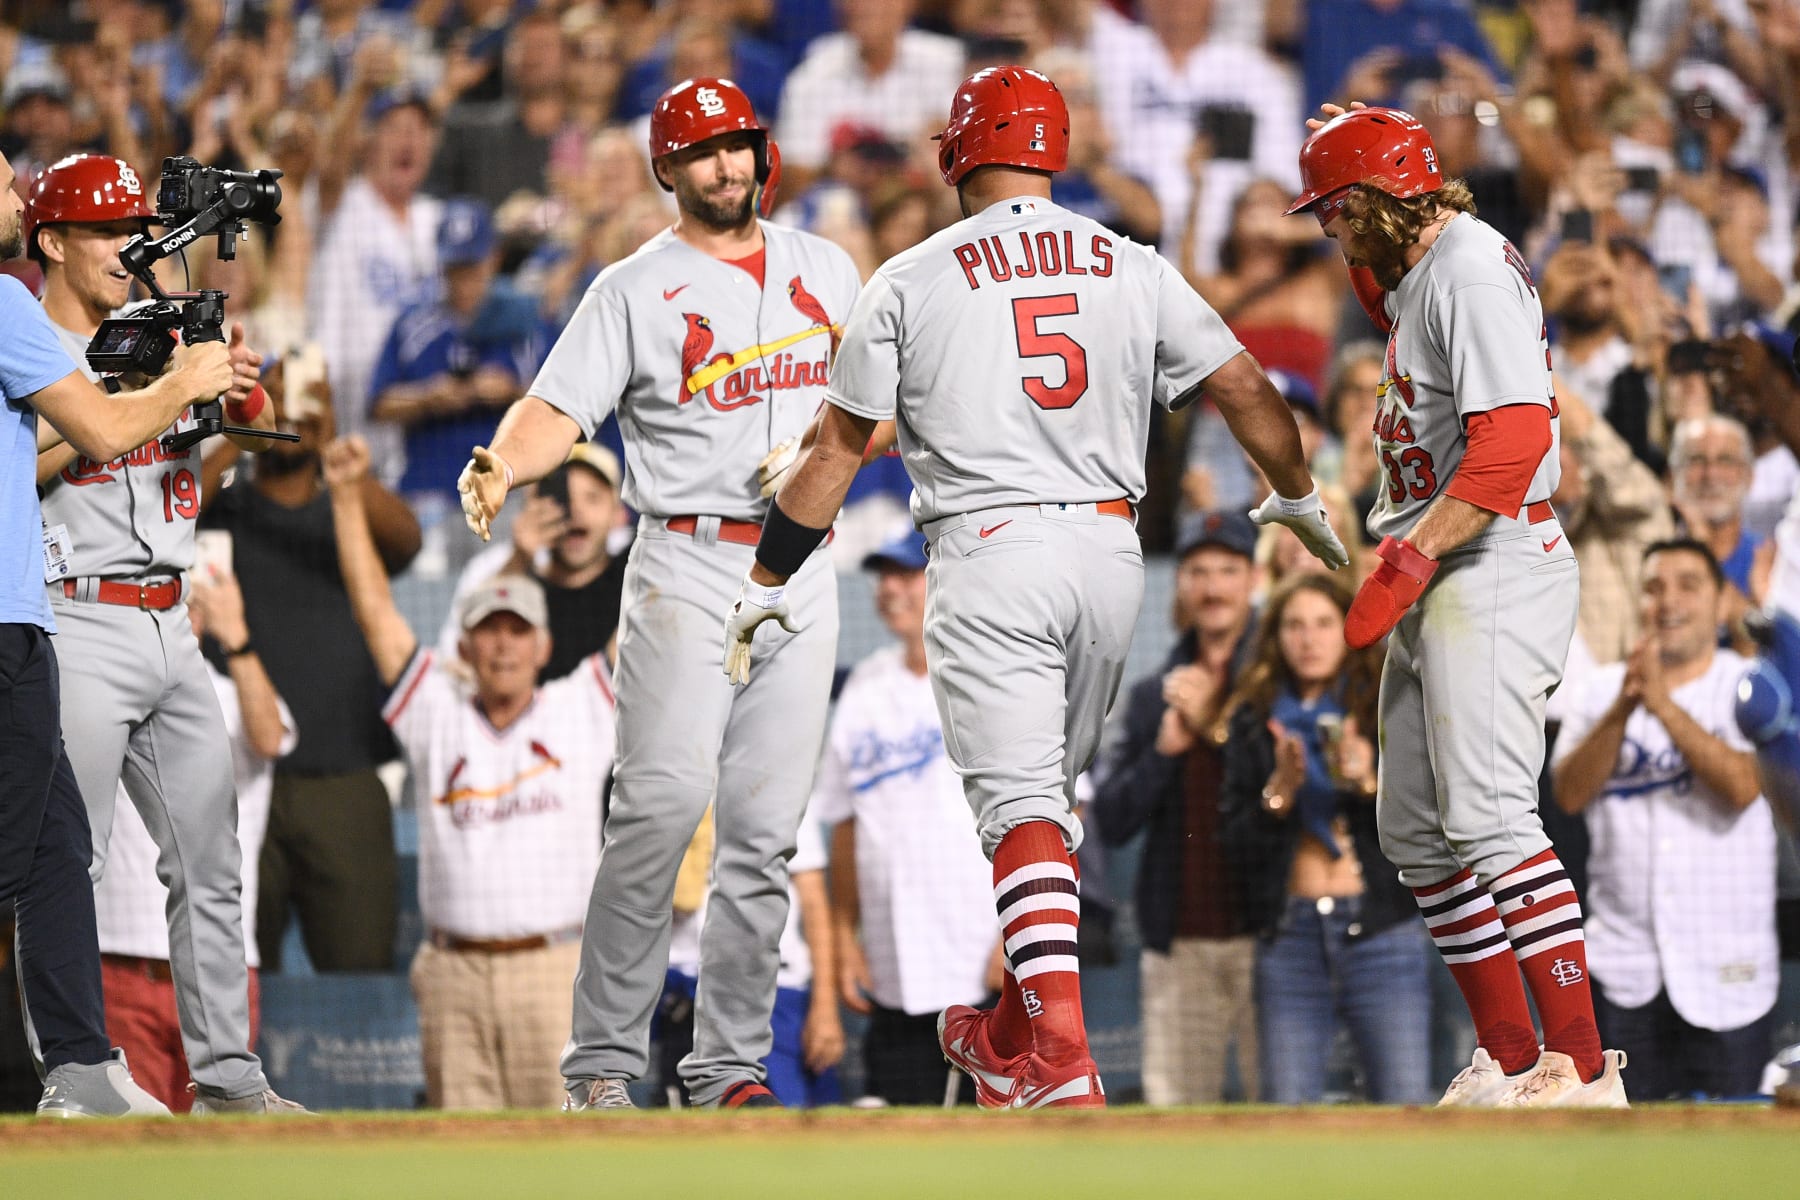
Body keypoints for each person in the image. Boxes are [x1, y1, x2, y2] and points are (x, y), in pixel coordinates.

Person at [721, 66, 1345, 1110]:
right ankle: (1010, 1030)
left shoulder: (911, 276)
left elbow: (830, 455)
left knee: (1020, 814)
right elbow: (1243, 386)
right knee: (1045, 814)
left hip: (989, 550)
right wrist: (1291, 491)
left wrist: (769, 570)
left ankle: (1058, 1054)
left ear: (959, 150)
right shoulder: (1133, 263)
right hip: (1109, 563)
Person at [455, 77, 862, 1111]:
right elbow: (559, 405)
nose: (728, 166)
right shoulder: (633, 287)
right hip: (687, 559)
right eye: (705, 152)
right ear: (667, 170)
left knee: (766, 830)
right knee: (662, 812)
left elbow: (884, 409)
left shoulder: (828, 264)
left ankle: (729, 1065)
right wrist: (506, 460)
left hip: (804, 561)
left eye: (739, 146)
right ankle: (600, 1067)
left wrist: (824, 451)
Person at [1286, 103, 1624, 1106]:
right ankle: (1511, 1059)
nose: (1327, 228)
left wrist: (1408, 561)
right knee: (1418, 835)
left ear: (1384, 201)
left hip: (1490, 555)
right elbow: (1386, 285)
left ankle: (1580, 1064)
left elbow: (1516, 441)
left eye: (1337, 209)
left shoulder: (1468, 270)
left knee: (1488, 818)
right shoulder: (1430, 266)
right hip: (1451, 562)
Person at [23, 152, 301, 1116]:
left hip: (172, 618)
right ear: (50, 241)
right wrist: (157, 392)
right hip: (78, 616)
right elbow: (30, 477)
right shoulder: (28, 344)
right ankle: (74, 1076)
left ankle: (230, 1080)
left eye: (131, 226)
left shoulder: (162, 330)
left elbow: (195, 476)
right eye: (101, 229)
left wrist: (225, 406)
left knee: (212, 863)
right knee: (68, 864)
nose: (123, 244)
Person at [2, 148, 232, 1119]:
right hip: (43, 616)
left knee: (50, 851)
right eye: (2, 182)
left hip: (127, 616)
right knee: (36, 855)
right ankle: (77, 1074)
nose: (11, 197)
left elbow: (94, 446)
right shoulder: (12, 305)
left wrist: (193, 401)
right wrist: (179, 385)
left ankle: (86, 1071)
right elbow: (94, 434)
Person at [325, 432, 617, 1110]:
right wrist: (344, 497)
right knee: (464, 1167)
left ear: (543, 644)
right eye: (490, 629)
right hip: (451, 973)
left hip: (555, 969)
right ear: (466, 641)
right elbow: (375, 612)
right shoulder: (436, 705)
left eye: (518, 630)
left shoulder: (583, 706)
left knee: (568, 1169)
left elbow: (647, 612)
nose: (504, 644)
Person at [1551, 539, 1775, 1100]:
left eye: (1688, 585)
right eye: (1654, 587)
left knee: (1735, 1164)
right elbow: (1570, 793)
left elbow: (1745, 787)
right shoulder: (1599, 690)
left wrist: (1661, 705)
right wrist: (1627, 704)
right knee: (1624, 1159)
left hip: (1728, 969)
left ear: (1722, 600)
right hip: (1625, 967)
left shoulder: (1750, 684)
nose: (1668, 600)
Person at [1216, 573, 1431, 1104]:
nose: (1308, 639)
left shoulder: (1386, 703)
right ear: (1276, 636)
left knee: (1403, 1104)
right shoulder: (1253, 719)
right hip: (1290, 936)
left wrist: (1370, 783)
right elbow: (1231, 843)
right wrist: (1279, 793)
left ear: (1348, 629)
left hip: (1382, 931)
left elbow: (1432, 822)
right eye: (1294, 625)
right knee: (1287, 1110)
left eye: (1322, 624)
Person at [92, 569, 295, 1112]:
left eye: (184, 600)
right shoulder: (97, 689)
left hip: (221, 968)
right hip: (120, 962)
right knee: (131, 1153)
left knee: (225, 1144)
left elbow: (271, 738)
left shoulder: (229, 694)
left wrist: (239, 638)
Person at [813, 532, 999, 1106]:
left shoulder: (992, 672)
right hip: (895, 962)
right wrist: (845, 937)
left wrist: (1017, 942)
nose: (890, 588)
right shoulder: (864, 687)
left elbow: (1062, 811)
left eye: (906, 574)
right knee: (894, 1136)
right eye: (883, 576)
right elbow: (845, 824)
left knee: (995, 1152)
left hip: (984, 963)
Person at [1089, 511, 1264, 1106]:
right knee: (1177, 1129)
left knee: (1294, 1121)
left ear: (1252, 580)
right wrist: (1165, 750)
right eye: (1198, 572)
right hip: (1181, 945)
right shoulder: (1148, 698)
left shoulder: (1284, 677)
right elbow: (1109, 818)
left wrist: (1213, 727)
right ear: (1181, 585)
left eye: (1227, 570)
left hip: (1274, 943)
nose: (1213, 587)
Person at [437, 443, 629, 681]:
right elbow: (457, 664)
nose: (576, 510)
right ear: (532, 505)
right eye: (563, 498)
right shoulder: (499, 567)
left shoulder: (639, 572)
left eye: (592, 498)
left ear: (619, 514)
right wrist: (520, 559)